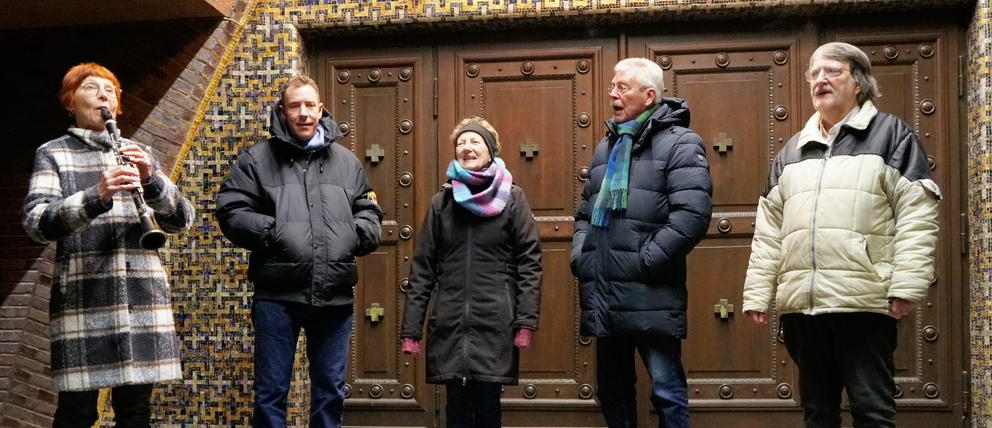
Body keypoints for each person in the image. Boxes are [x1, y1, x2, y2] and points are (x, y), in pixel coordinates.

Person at [742, 42, 941, 427]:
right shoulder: (791, 151)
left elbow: (917, 213)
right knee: (818, 413)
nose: (820, 79)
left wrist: (907, 285)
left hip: (863, 302)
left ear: (859, 83)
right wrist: (757, 293)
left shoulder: (891, 136)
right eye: (814, 73)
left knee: (872, 411)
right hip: (804, 309)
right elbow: (769, 230)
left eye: (832, 71)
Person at [22, 62, 195, 427]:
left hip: (141, 300)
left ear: (118, 106)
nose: (104, 94)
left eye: (111, 90)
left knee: (135, 413)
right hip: (85, 300)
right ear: (69, 102)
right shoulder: (54, 153)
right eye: (91, 88)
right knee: (77, 413)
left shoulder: (139, 152)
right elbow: (37, 223)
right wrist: (95, 195)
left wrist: (152, 181)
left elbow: (182, 220)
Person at [215, 75, 382, 428]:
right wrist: (275, 233)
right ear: (282, 110)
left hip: (335, 298)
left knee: (330, 392)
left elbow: (368, 209)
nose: (303, 113)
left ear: (321, 109)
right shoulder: (257, 159)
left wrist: (355, 235)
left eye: (310, 105)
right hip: (277, 296)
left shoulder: (347, 161)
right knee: (271, 393)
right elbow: (231, 210)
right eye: (295, 106)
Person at [571, 58, 713, 428]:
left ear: (649, 95)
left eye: (622, 87)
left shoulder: (681, 144)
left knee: (666, 391)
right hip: (605, 290)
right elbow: (584, 215)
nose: (612, 94)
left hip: (651, 292)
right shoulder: (606, 148)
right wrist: (583, 257)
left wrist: (643, 261)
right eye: (612, 87)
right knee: (613, 391)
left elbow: (691, 216)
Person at [399, 117, 542, 428]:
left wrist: (525, 322)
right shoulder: (442, 203)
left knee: (489, 405)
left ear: (490, 151)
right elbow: (423, 268)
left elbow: (529, 262)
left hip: (494, 321)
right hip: (450, 321)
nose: (467, 147)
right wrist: (411, 330)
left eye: (475, 141)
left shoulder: (512, 199)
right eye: (461, 143)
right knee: (457, 408)